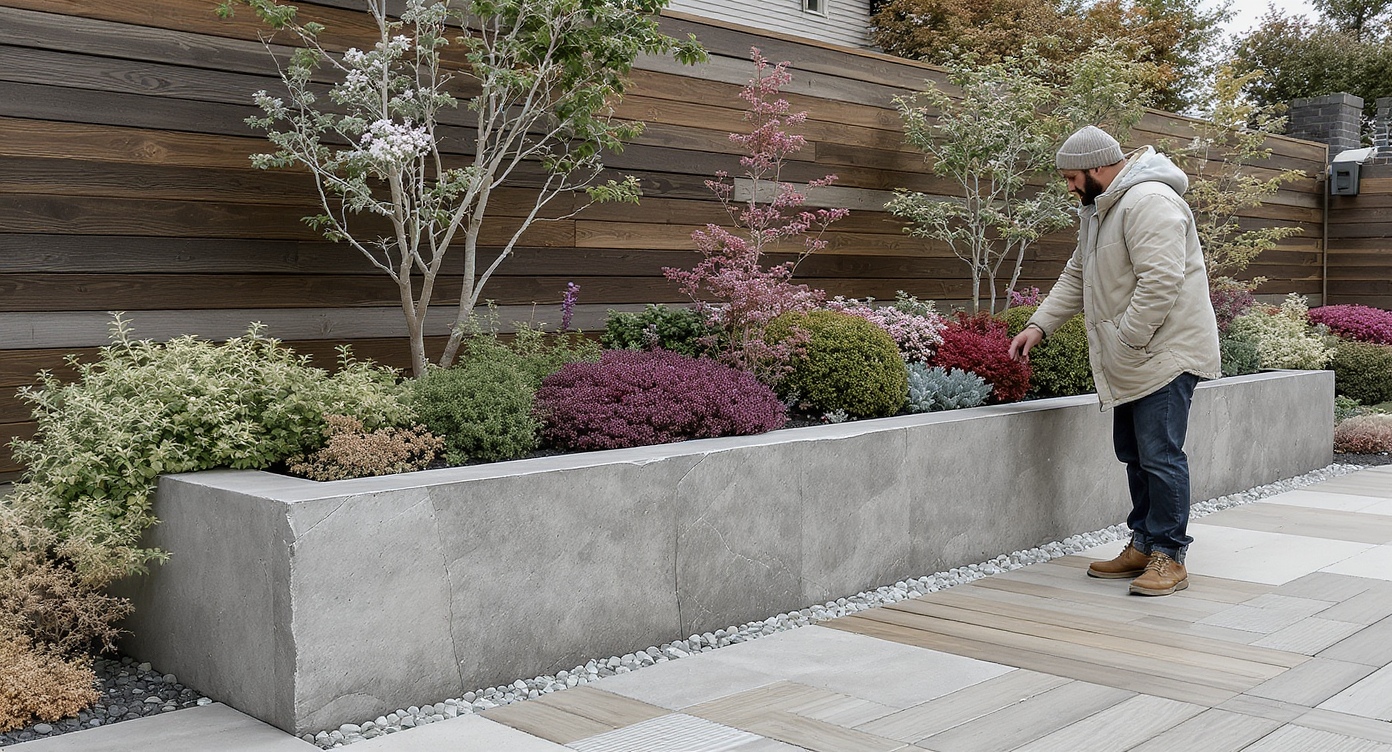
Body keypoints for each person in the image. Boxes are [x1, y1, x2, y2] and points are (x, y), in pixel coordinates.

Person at [1008, 125, 1221, 597]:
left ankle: (1170, 555)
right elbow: (1077, 273)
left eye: (1071, 178)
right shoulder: (1100, 208)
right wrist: (1039, 325)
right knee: (1135, 455)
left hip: (1163, 354)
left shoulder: (1149, 202)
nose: (1068, 187)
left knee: (1161, 457)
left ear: (1099, 167)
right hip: (1135, 356)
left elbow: (1161, 282)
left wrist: (1125, 340)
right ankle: (1143, 544)